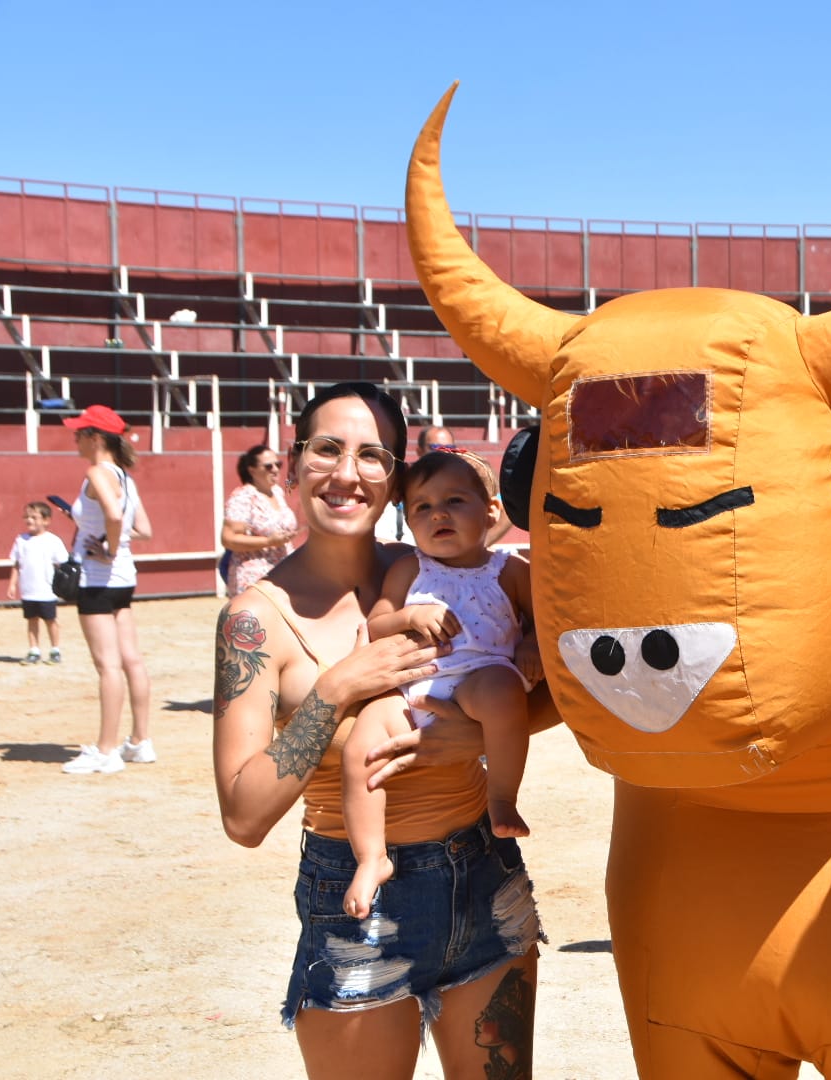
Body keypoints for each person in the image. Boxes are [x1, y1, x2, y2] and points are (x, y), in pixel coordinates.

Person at [211, 382, 545, 1078]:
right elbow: (243, 816)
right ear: (297, 461)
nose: (346, 472)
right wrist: (335, 690)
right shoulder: (256, 618)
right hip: (356, 902)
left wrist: (487, 733)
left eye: (371, 455)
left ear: (394, 478)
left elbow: (559, 686)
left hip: (484, 877)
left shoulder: (437, 563)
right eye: (327, 449)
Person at [342, 447, 541, 919]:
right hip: (412, 686)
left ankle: (502, 799)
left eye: (454, 501)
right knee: (360, 750)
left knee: (501, 691)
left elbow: (547, 619)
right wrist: (410, 614)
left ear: (492, 511)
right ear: (408, 521)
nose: (439, 515)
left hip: (480, 680)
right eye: (423, 507)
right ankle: (371, 857)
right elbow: (377, 624)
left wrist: (531, 643)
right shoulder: (411, 569)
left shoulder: (510, 570)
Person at [61, 404, 156, 775]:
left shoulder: (97, 472)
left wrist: (108, 546)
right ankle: (140, 741)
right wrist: (111, 541)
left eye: (79, 433)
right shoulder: (125, 477)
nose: (75, 439)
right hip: (123, 578)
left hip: (98, 579)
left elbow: (115, 518)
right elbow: (143, 528)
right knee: (131, 659)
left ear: (95, 438)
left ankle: (106, 750)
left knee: (108, 666)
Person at [374, 424, 516, 547]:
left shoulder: (466, 479)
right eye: (436, 447)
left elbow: (508, 506)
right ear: (419, 451)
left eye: (449, 448)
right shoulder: (403, 482)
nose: (438, 513)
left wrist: (476, 545)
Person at [221, 444, 299, 597]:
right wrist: (268, 541)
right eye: (268, 466)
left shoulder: (277, 492)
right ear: (252, 470)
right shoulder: (243, 497)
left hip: (284, 573)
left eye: (278, 464)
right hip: (254, 578)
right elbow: (228, 539)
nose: (275, 470)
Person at [8, 500, 71, 664]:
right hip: (28, 589)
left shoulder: (53, 541)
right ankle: (34, 650)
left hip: (47, 590)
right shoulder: (21, 540)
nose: (29, 520)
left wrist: (63, 585)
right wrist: (12, 584)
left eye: (34, 517)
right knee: (32, 619)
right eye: (27, 517)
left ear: (46, 520)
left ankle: (55, 649)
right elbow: (17, 563)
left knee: (50, 620)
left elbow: (62, 564)